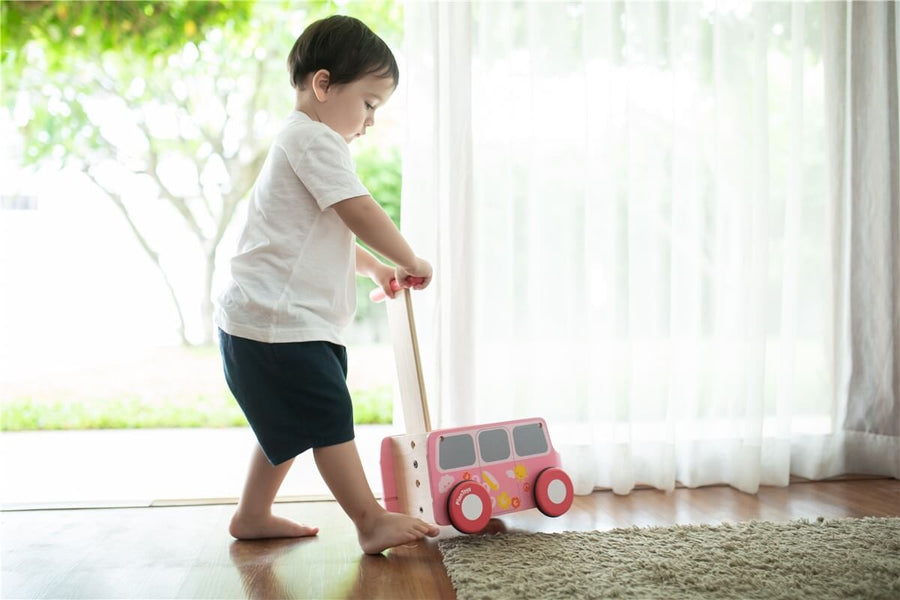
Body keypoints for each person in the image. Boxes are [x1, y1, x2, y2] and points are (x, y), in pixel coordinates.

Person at [214, 15, 439, 554]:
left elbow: (329, 234)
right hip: (277, 325)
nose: (370, 121)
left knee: (287, 424)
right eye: (368, 103)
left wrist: (376, 269)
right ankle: (369, 520)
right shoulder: (314, 140)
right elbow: (358, 210)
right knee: (329, 418)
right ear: (322, 85)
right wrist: (407, 256)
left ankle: (252, 513)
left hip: (269, 324)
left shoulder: (301, 142)